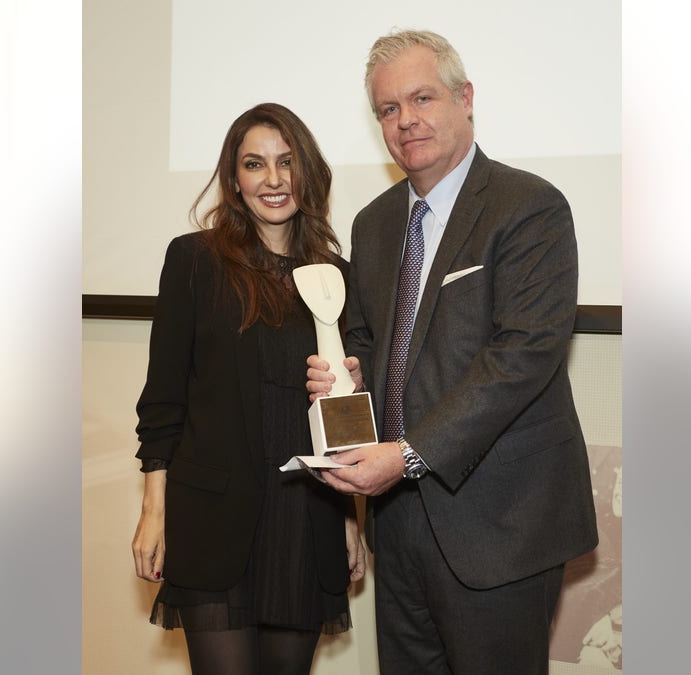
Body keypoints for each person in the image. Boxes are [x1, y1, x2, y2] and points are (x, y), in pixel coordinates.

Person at [306, 30, 598, 674]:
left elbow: (522, 354)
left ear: (464, 99)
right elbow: (370, 341)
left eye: (422, 98)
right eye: (388, 109)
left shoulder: (530, 207)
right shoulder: (374, 223)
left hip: (499, 522)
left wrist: (408, 455)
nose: (406, 120)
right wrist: (348, 374)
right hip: (400, 523)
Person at [132, 102, 366, 675]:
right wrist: (153, 511)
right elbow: (163, 400)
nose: (274, 179)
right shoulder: (193, 261)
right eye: (255, 164)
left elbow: (341, 416)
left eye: (286, 162)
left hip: (304, 520)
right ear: (234, 181)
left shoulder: (334, 275)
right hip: (212, 521)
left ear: (305, 172)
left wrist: (349, 518)